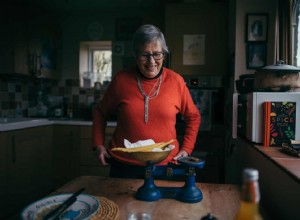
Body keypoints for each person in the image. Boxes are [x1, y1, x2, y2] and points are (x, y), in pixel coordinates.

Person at [93, 24, 201, 178]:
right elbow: (100, 112)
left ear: (164, 54)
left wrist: (186, 149)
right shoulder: (121, 80)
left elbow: (194, 117)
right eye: (145, 54)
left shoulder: (176, 81)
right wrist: (99, 144)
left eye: (157, 54)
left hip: (165, 166)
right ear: (135, 55)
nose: (151, 61)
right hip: (124, 165)